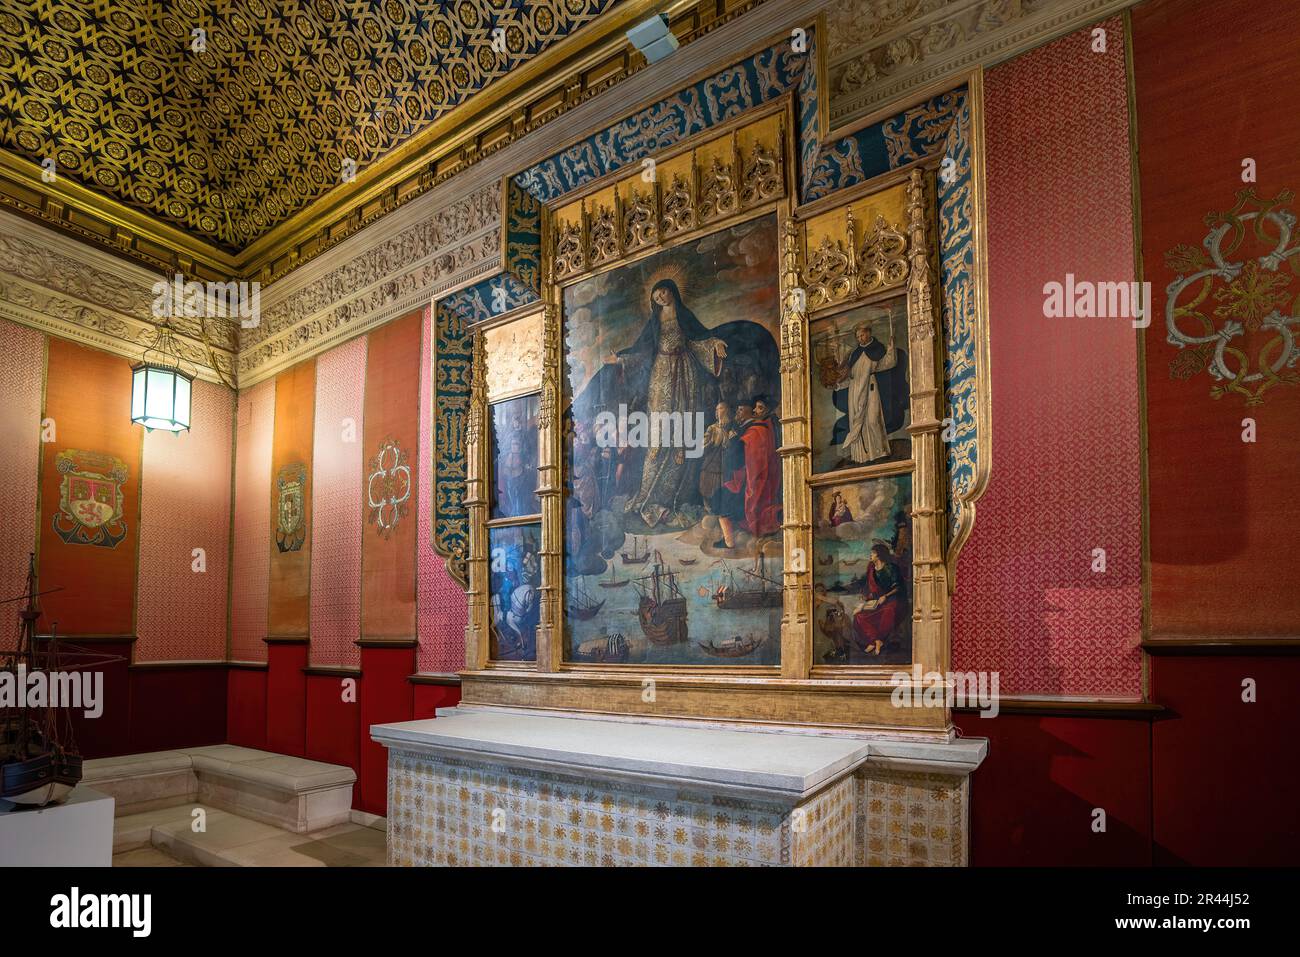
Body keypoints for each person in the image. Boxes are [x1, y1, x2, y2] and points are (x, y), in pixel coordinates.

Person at [605, 279, 727, 527]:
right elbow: (642, 348)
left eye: (663, 292)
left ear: (671, 290)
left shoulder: (683, 315)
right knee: (658, 433)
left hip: (685, 372)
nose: (661, 297)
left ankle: (677, 495)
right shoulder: (655, 320)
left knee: (683, 428)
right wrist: (622, 358)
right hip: (661, 372)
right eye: (657, 296)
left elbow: (698, 337)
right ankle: (649, 495)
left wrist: (714, 343)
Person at [835, 322, 900, 464]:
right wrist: (839, 384)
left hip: (870, 390)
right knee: (858, 424)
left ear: (869, 333)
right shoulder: (855, 354)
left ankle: (879, 452)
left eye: (862, 335)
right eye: (858, 336)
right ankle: (862, 457)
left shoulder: (876, 349)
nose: (860, 339)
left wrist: (891, 348)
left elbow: (888, 363)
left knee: (873, 421)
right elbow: (851, 375)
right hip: (854, 392)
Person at [851, 543, 902, 656]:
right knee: (858, 616)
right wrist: (865, 597)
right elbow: (867, 585)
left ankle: (877, 641)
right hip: (875, 602)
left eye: (873, 553)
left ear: (879, 555)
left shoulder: (891, 568)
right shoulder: (871, 568)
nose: (870, 555)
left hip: (890, 600)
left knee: (888, 611)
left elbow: (898, 587)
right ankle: (876, 641)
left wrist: (886, 596)